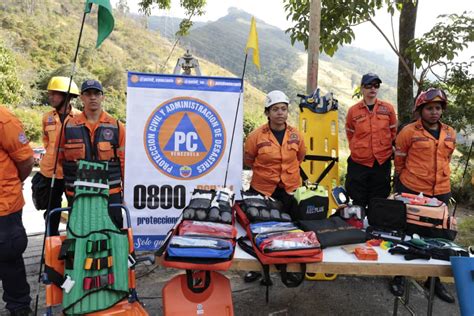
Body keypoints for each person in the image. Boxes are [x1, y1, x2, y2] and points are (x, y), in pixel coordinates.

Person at [390, 88, 455, 303]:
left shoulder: (449, 133)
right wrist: (402, 187)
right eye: (429, 108)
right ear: (421, 110)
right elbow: (399, 160)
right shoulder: (408, 132)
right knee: (408, 234)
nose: (434, 112)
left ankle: (434, 281)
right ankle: (400, 277)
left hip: (441, 192)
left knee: (439, 238)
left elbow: (447, 158)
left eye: (438, 108)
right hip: (413, 190)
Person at [243, 90, 306, 283]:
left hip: (290, 189)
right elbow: (248, 159)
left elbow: (300, 157)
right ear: (267, 113)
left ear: (288, 112)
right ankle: (257, 268)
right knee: (259, 230)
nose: (280, 113)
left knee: (290, 230)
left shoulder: (296, 135)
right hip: (263, 190)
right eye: (275, 109)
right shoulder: (256, 136)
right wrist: (267, 173)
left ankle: (289, 266)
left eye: (284, 109)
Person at [58, 79, 126, 228]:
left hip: (110, 193)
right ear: (82, 97)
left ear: (103, 97)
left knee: (112, 234)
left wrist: (124, 192)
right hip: (78, 193)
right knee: (80, 234)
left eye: (96, 93)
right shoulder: (68, 127)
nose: (93, 97)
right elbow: (60, 159)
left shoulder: (117, 126)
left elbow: (124, 162)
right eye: (88, 94)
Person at [345, 73, 397, 212]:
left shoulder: (388, 109)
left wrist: (385, 148)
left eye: (376, 85)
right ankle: (357, 225)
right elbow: (350, 133)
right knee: (357, 198)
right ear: (362, 88)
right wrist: (358, 148)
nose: (372, 89)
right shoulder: (353, 111)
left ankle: (374, 227)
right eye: (368, 85)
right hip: (359, 162)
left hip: (381, 161)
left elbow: (393, 132)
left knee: (379, 198)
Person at [0, 106, 34, 315]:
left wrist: (14, 183)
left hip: (4, 205)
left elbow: (26, 160)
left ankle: (19, 307)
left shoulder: (4, 120)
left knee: (8, 254)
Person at [38, 76, 80, 235]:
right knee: (51, 211)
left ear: (67, 96)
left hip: (73, 173)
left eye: (55, 93)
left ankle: (73, 243)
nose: (51, 97)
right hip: (50, 172)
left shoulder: (79, 118)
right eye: (50, 93)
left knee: (76, 210)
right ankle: (50, 244)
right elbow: (46, 140)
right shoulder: (46, 117)